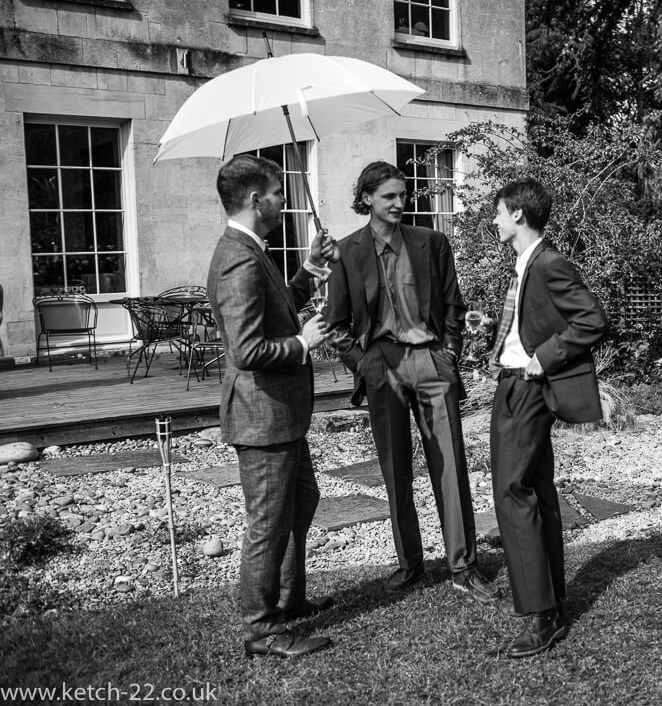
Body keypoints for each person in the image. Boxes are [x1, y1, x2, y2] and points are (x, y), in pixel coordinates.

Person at [326, 161, 496, 603]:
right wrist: (364, 365)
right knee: (395, 468)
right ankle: (410, 563)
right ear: (366, 199)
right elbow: (336, 325)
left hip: (431, 361)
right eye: (389, 196)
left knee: (450, 465)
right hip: (382, 365)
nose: (400, 203)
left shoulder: (432, 243)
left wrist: (451, 354)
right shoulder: (346, 253)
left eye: (403, 195)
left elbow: (453, 306)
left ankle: (463, 565)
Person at [207, 154, 339, 659]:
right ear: (258, 200)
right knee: (267, 523)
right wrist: (304, 343)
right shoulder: (238, 258)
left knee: (301, 502)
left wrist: (308, 268)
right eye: (279, 193)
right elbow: (247, 349)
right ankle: (262, 630)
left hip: (281, 415)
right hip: (262, 417)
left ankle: (289, 601)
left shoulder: (249, 248)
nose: (285, 200)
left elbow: (277, 304)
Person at [485, 177, 607, 658]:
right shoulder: (525, 263)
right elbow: (534, 319)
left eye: (497, 212)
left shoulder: (549, 262)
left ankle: (539, 616)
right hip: (517, 382)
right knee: (535, 490)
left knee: (513, 493)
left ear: (517, 214)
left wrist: (543, 357)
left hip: (527, 387)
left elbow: (592, 319)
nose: (493, 220)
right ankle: (550, 601)